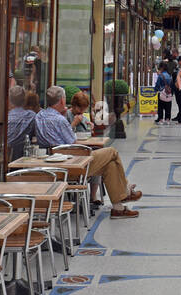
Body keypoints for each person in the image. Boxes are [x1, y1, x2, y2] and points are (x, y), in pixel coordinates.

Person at [34, 86, 141, 217]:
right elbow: (72, 143)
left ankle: (118, 208)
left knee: (110, 165)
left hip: (51, 165)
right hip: (71, 166)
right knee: (112, 152)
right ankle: (126, 189)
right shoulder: (60, 120)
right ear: (62, 101)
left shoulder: (39, 116)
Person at [6, 86, 36, 163]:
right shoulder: (31, 116)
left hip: (3, 161)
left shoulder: (4, 117)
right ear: (24, 101)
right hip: (23, 159)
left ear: (9, 100)